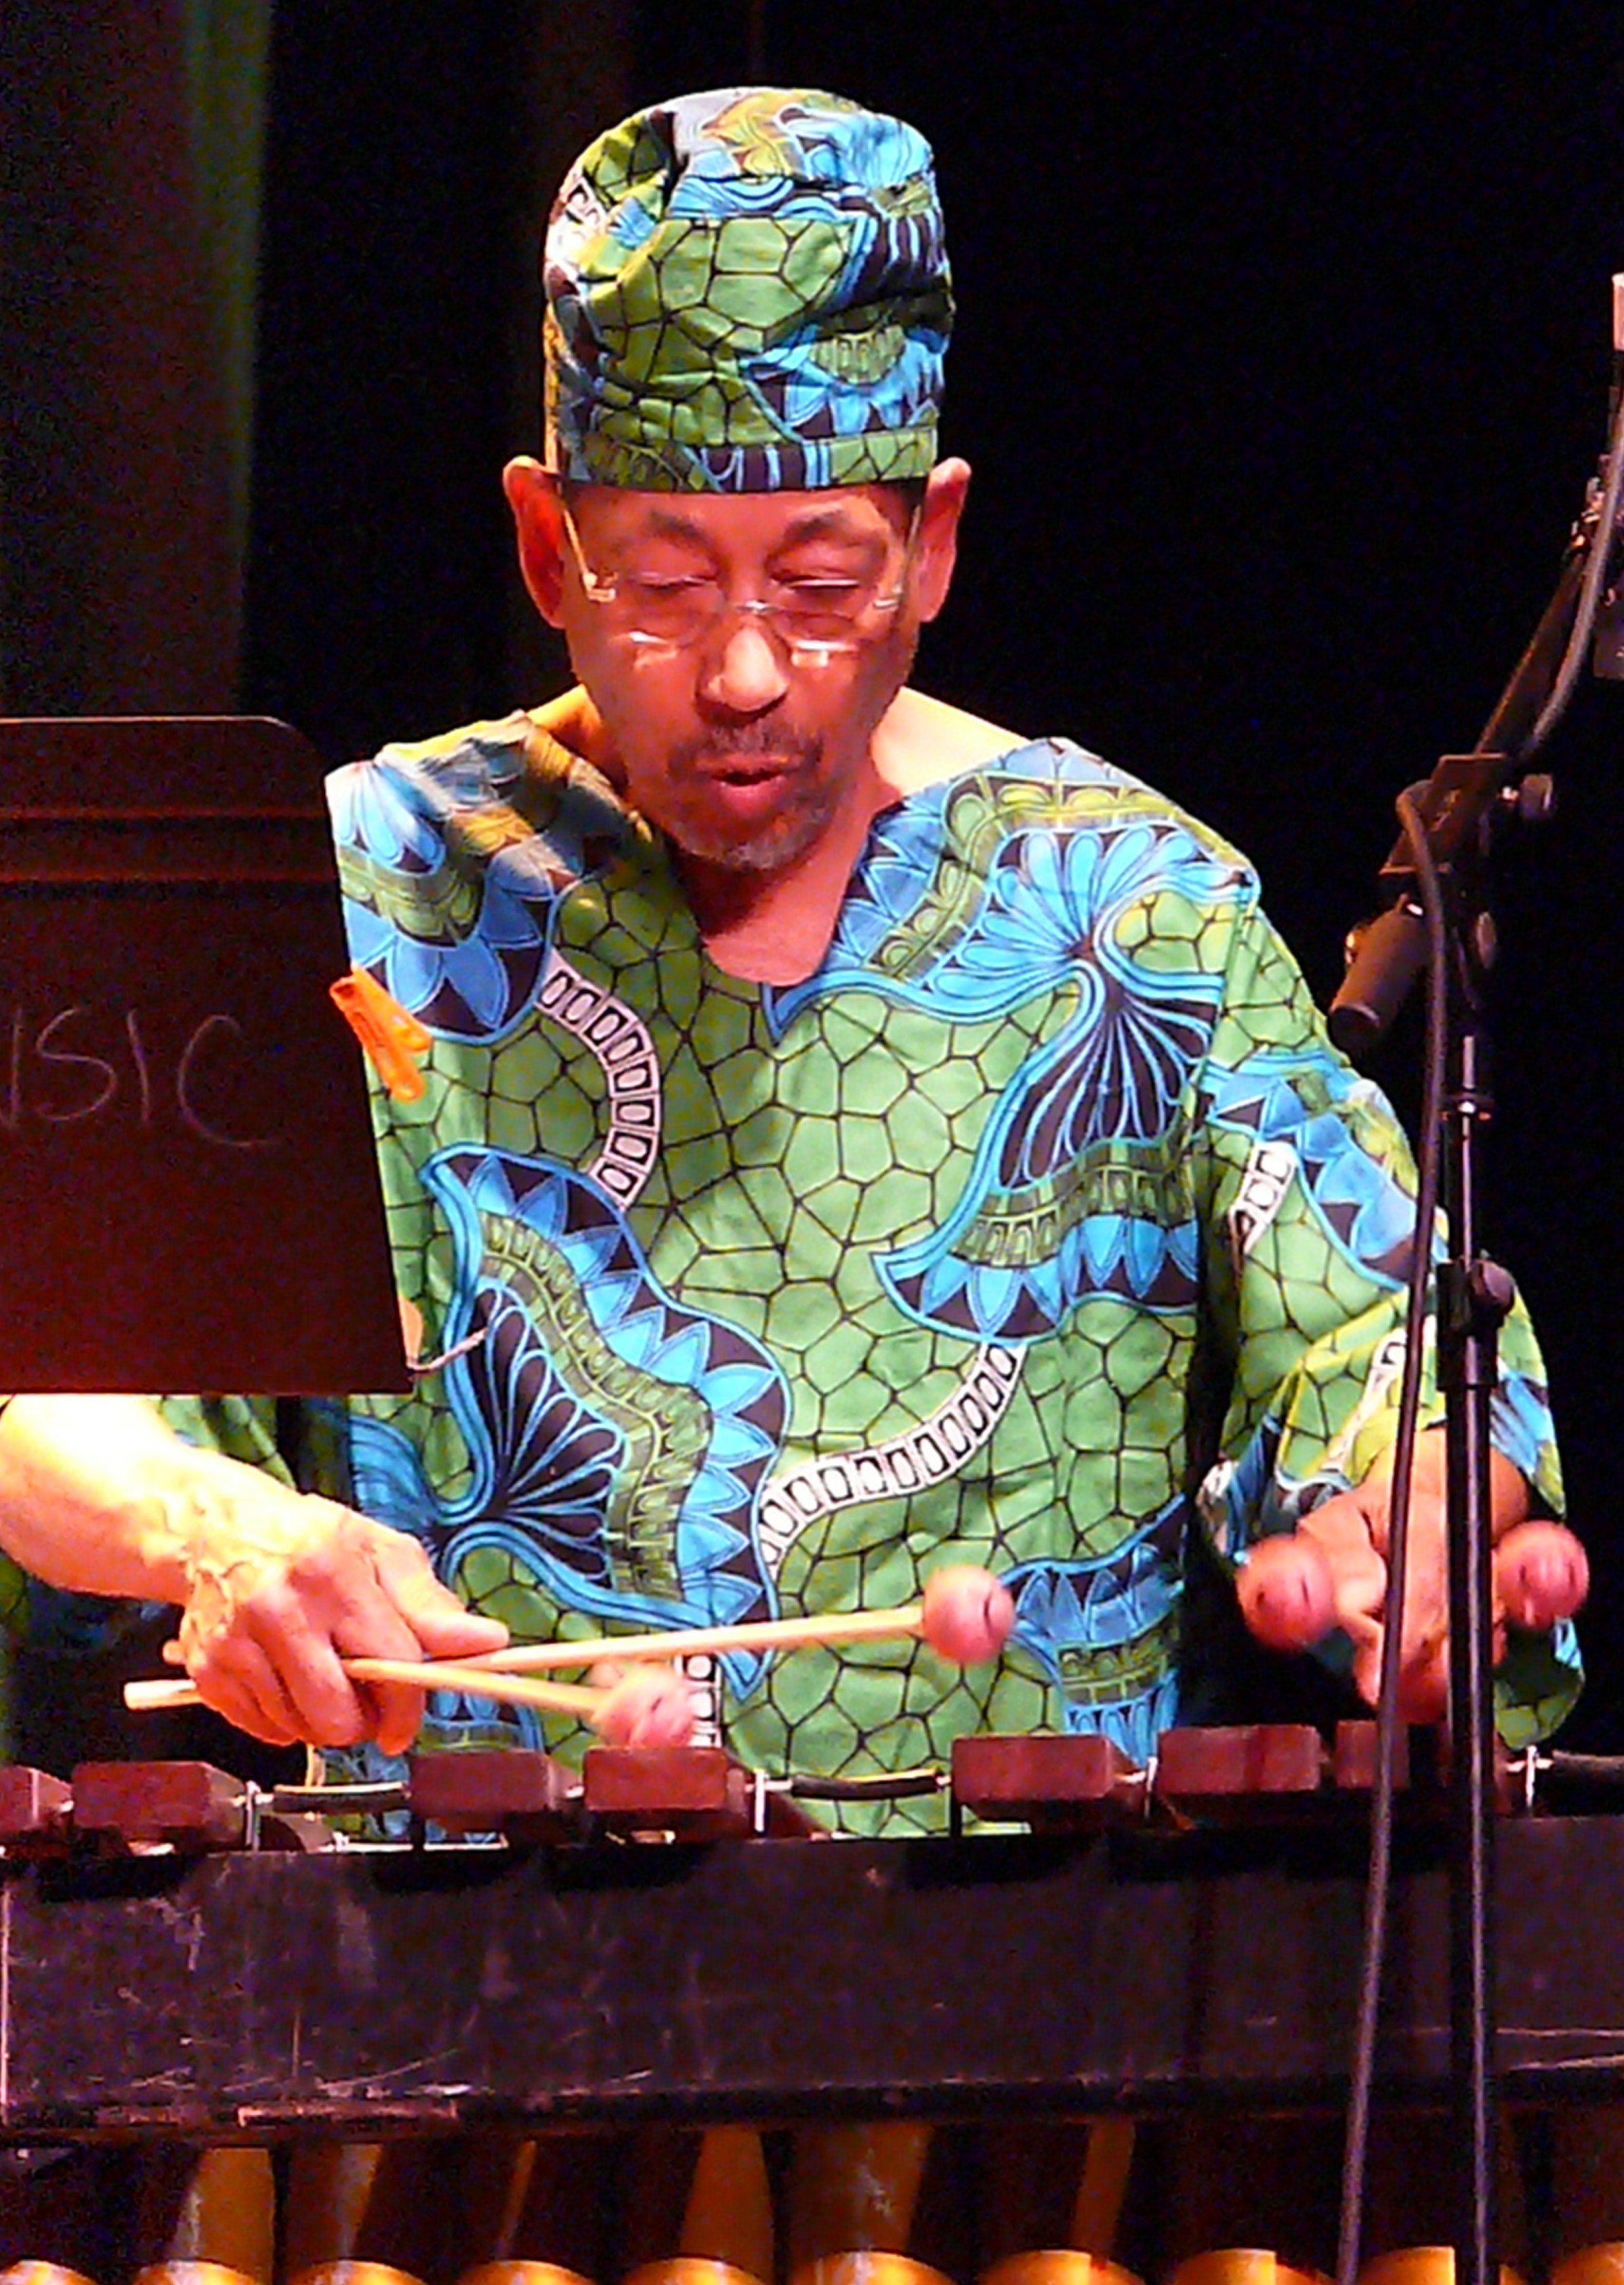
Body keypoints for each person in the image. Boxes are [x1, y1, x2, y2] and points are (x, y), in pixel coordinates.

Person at [0, 85, 1587, 1827]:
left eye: (823, 582)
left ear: (933, 547)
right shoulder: (367, 892)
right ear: (546, 549)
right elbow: (46, 1391)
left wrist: (1423, 1520)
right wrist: (214, 1528)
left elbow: (1381, 1358)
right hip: (449, 1969)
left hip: (1037, 1974)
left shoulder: (1138, 913)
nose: (747, 671)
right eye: (666, 584)